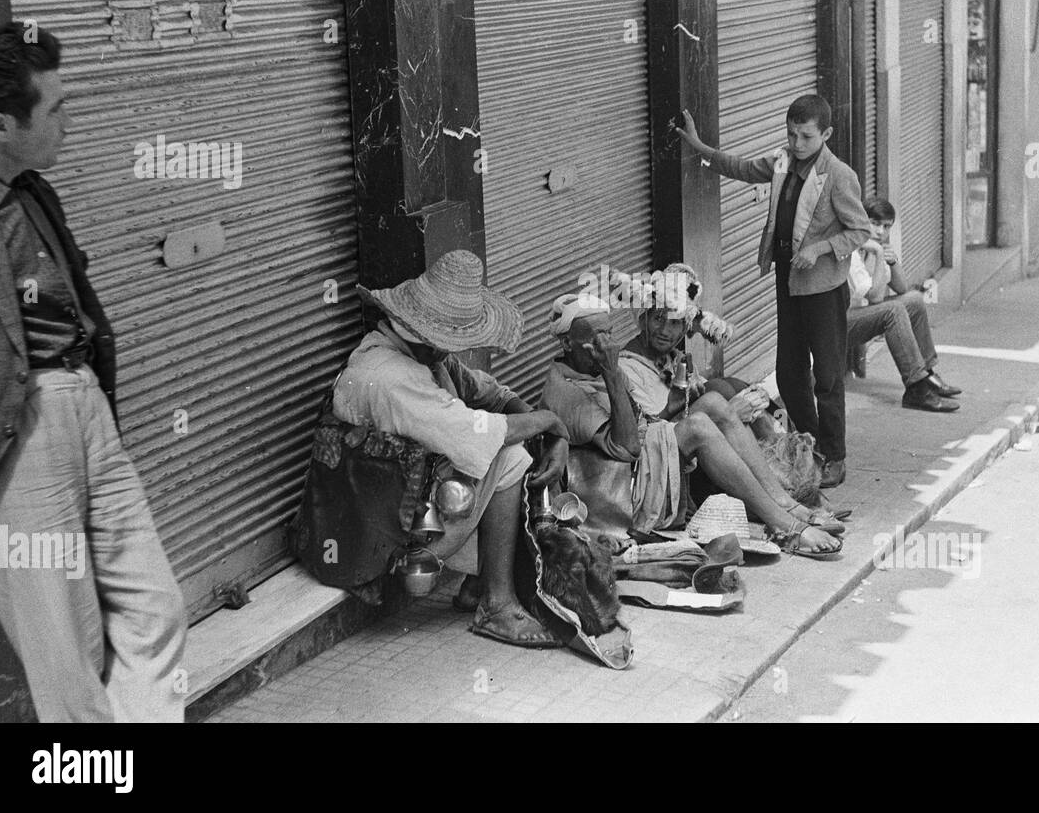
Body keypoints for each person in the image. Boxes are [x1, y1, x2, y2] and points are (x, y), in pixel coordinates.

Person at [0, 22, 186, 721]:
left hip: (84, 404)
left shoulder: (33, 190)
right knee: (64, 656)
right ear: (1, 126)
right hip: (17, 435)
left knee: (156, 608)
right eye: (57, 109)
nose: (71, 121)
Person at [335, 250, 570, 647]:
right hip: (383, 534)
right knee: (509, 456)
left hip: (396, 504)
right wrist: (550, 422)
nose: (451, 351)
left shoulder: (416, 353)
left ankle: (479, 583)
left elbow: (490, 393)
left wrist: (546, 429)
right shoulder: (391, 377)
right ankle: (497, 603)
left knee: (504, 444)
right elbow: (480, 433)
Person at [539, 294, 842, 557]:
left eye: (607, 333)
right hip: (623, 483)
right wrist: (611, 371)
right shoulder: (567, 392)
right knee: (698, 426)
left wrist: (675, 401)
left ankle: (784, 502)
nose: (605, 345)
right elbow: (628, 448)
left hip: (641, 453)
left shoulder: (592, 366)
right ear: (566, 342)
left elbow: (639, 418)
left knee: (712, 401)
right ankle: (785, 526)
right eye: (594, 339)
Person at [676, 95, 874, 488]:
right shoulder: (784, 161)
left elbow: (861, 230)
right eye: (791, 134)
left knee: (829, 378)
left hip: (823, 289)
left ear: (826, 134)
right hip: (789, 282)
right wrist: (700, 149)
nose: (797, 143)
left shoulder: (838, 175)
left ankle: (835, 457)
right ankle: (810, 442)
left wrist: (819, 248)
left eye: (806, 136)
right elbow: (745, 168)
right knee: (788, 373)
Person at [844, 197, 961, 413]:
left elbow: (901, 288)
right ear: (861, 221)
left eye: (886, 226)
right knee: (893, 310)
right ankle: (916, 388)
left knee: (914, 300)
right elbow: (877, 298)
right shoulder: (852, 250)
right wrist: (879, 254)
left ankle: (928, 374)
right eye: (874, 223)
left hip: (859, 317)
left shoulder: (872, 249)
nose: (880, 231)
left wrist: (892, 260)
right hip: (838, 325)